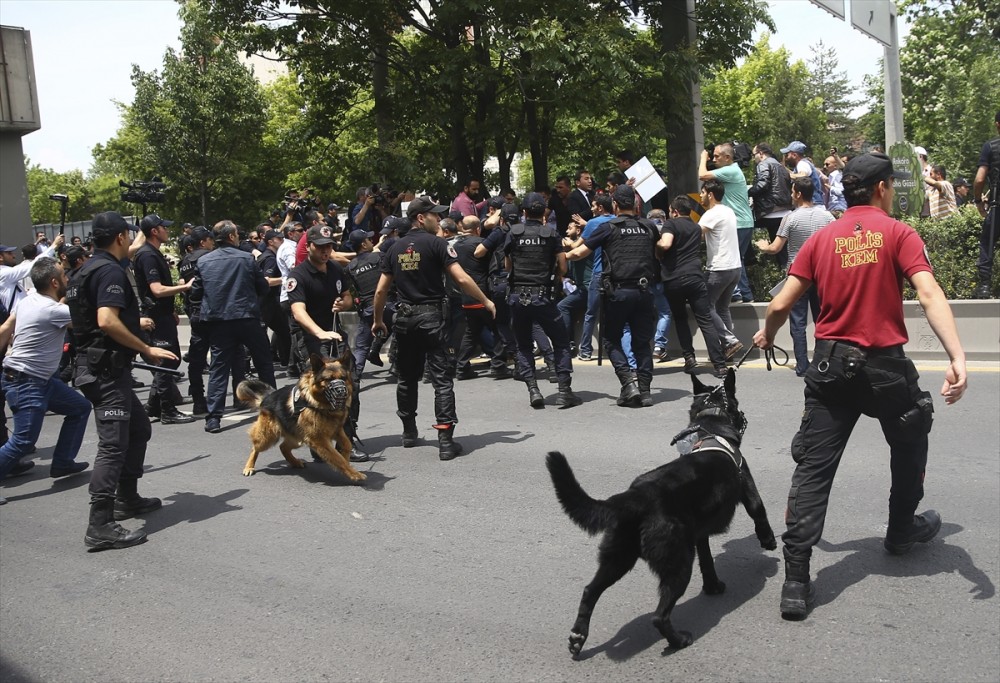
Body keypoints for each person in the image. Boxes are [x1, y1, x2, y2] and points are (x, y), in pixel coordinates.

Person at [752, 152, 968, 621]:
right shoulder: (898, 233)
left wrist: (768, 333)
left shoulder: (822, 238)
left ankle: (795, 582)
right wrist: (957, 357)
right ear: (883, 188)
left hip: (830, 370)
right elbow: (929, 293)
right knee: (910, 442)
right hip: (886, 369)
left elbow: (782, 302)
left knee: (813, 470)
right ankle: (900, 531)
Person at [66, 211, 177, 551]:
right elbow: (105, 318)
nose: (130, 239)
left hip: (101, 365)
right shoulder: (110, 270)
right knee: (113, 446)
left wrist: (133, 322)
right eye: (127, 235)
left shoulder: (83, 270)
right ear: (119, 238)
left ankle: (127, 497)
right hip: (106, 371)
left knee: (139, 430)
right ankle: (99, 523)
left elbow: (88, 320)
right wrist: (146, 348)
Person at [372, 196, 496, 460]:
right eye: (434, 215)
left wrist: (378, 320)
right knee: (441, 380)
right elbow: (461, 278)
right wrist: (484, 300)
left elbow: (382, 289)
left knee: (406, 379)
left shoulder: (394, 248)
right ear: (420, 218)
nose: (438, 220)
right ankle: (446, 442)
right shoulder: (438, 244)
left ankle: (408, 433)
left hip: (405, 322)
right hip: (431, 320)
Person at [0, 258, 91, 500]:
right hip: (27, 381)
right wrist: (137, 322)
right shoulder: (53, 310)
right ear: (54, 282)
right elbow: (93, 323)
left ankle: (62, 462)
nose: (67, 279)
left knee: (80, 408)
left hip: (36, 379)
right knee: (22, 441)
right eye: (64, 276)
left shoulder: (29, 301)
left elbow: (7, 328)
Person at [567, 184, 658, 407]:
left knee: (611, 339)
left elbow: (579, 253)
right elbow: (661, 249)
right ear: (636, 204)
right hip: (645, 291)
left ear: (615, 204)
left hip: (618, 292)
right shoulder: (648, 226)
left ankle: (628, 384)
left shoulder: (608, 227)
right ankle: (645, 391)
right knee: (642, 342)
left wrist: (559, 256)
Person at [287, 224, 365, 462]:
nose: (325, 251)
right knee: (317, 393)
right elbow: (298, 311)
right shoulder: (298, 275)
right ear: (309, 246)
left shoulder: (334, 269)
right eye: (320, 247)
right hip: (311, 337)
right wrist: (319, 332)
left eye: (329, 246)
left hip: (334, 333)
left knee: (349, 386)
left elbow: (347, 297)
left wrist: (344, 304)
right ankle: (317, 440)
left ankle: (347, 440)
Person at [192, 221, 276, 434]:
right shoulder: (247, 259)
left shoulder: (204, 261)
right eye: (237, 234)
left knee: (218, 369)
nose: (239, 237)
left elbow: (195, 292)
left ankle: (213, 418)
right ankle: (273, 410)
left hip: (219, 321)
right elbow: (263, 287)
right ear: (231, 237)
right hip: (247, 317)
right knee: (264, 363)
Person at [502, 192, 581, 409]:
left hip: (518, 297)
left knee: (524, 345)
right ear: (543, 212)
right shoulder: (551, 234)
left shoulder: (514, 233)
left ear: (524, 212)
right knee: (561, 342)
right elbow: (563, 268)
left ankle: (533, 390)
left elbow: (508, 267)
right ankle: (564, 392)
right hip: (543, 296)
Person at [755, 177, 834, 375]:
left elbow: (776, 248)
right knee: (821, 320)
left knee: (797, 322)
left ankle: (802, 366)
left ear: (798, 193)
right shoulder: (827, 216)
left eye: (792, 191)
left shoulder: (790, 218)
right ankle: (821, 362)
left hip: (797, 276)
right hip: (821, 274)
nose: (791, 195)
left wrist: (763, 246)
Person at [133, 213, 195, 425]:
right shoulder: (148, 255)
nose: (167, 230)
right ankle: (167, 411)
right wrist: (184, 288)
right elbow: (156, 290)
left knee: (170, 358)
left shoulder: (153, 253)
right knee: (166, 361)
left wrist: (170, 311)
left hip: (162, 315)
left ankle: (153, 406)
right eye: (164, 227)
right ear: (154, 231)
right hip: (155, 317)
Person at [656, 195, 728, 375]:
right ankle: (720, 365)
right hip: (695, 277)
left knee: (681, 318)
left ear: (674, 211)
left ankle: (689, 358)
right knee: (705, 320)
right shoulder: (696, 228)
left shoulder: (670, 224)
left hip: (673, 279)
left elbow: (665, 244)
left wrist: (655, 244)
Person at [700, 143, 756, 303]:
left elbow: (702, 175)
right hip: (743, 221)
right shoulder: (731, 170)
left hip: (738, 222)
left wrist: (703, 158)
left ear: (728, 158)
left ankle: (738, 294)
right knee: (739, 258)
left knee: (734, 258)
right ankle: (743, 294)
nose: (714, 159)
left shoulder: (730, 170)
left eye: (717, 156)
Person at [699, 179, 744, 367]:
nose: (700, 196)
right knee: (722, 308)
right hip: (735, 268)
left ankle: (730, 341)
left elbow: (695, 235)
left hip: (719, 268)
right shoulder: (728, 211)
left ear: (710, 194)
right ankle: (728, 351)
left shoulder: (711, 214)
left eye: (702, 192)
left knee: (705, 307)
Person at [177, 226, 215, 415]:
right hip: (212, 311)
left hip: (195, 311)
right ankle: (216, 399)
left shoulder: (185, 261)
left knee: (197, 359)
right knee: (223, 357)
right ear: (203, 241)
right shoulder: (209, 257)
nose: (213, 243)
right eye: (210, 239)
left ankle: (198, 399)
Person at [748, 143, 794, 270]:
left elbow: (762, 185)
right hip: (784, 212)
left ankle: (751, 261)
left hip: (768, 211)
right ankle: (785, 273)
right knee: (782, 250)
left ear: (761, 153)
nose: (753, 158)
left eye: (754, 155)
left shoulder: (763, 164)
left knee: (743, 226)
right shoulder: (781, 166)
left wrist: (747, 192)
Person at [972, 110, 1000, 299]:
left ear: (997, 124)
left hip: (998, 205)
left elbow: (980, 178)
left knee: (987, 243)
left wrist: (977, 200)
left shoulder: (990, 146)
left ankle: (984, 286)